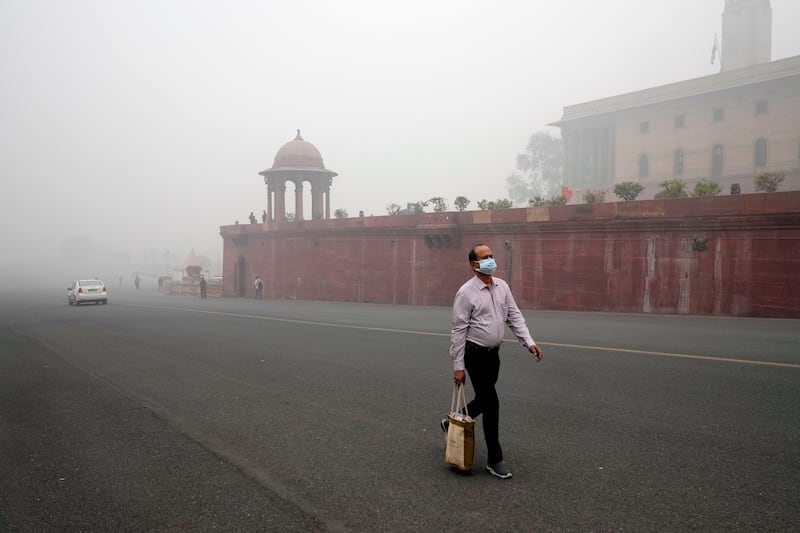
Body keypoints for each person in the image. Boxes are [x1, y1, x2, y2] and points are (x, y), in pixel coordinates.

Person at [443, 243, 543, 479]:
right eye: (484, 257)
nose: (491, 260)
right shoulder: (466, 293)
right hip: (474, 354)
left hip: (493, 356)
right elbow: (458, 330)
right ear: (474, 265)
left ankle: (451, 423)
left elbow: (514, 316)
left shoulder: (502, 287)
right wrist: (458, 367)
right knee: (492, 404)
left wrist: (528, 342)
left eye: (491, 256)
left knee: (484, 399)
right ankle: (494, 459)